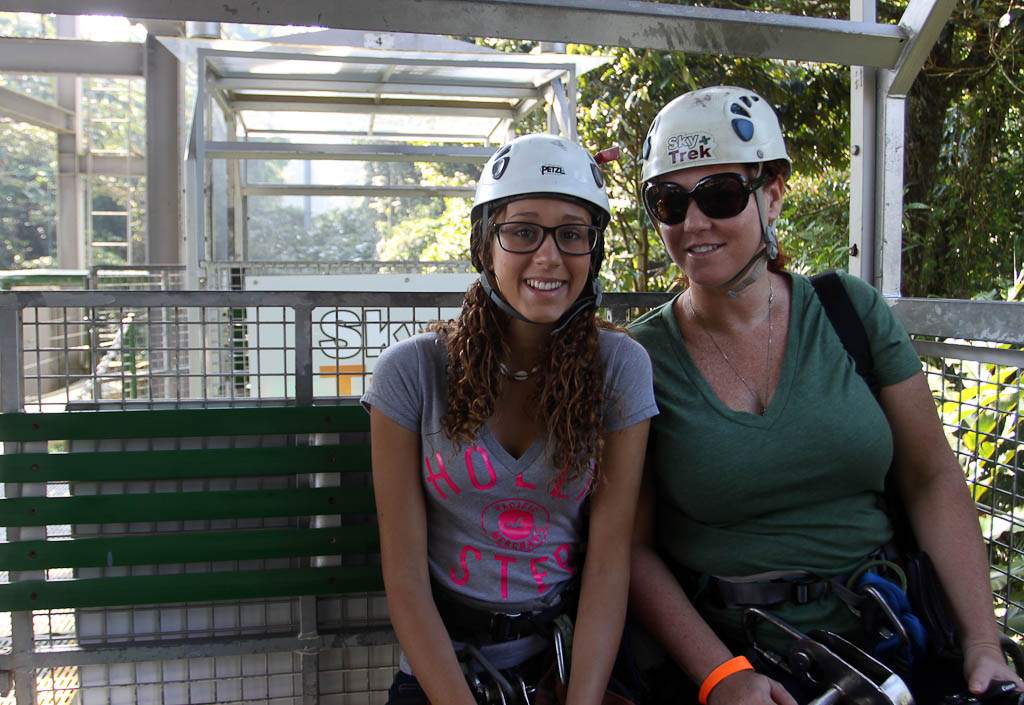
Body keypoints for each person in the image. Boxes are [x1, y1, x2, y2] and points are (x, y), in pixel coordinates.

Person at [626, 85, 1022, 705]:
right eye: (669, 202)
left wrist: (982, 642)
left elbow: (931, 480)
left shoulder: (847, 313)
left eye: (721, 195)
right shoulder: (641, 359)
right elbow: (630, 544)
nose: (694, 223)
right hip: (737, 659)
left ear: (772, 192)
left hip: (886, 637)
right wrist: (720, 677)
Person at [362, 133, 658, 705]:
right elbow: (404, 581)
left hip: (566, 659)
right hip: (446, 666)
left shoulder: (621, 368)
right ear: (485, 245)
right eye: (522, 231)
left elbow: (607, 562)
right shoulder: (412, 373)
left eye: (572, 234)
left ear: (593, 251)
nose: (549, 256)